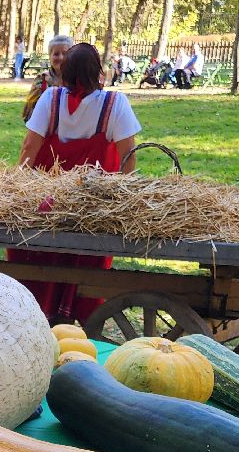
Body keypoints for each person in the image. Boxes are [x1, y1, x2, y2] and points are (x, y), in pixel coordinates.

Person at [10, 43, 142, 322]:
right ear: (97, 72)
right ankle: (74, 313)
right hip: (92, 202)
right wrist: (123, 196)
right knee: (88, 255)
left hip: (48, 197)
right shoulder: (114, 104)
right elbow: (128, 157)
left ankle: (38, 312)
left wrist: (16, 189)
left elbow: (28, 148)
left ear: (65, 73)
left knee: (39, 252)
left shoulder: (51, 99)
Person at [22, 34, 74, 121]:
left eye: (65, 53)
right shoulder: (41, 81)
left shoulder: (80, 80)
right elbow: (28, 114)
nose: (61, 57)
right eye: (56, 54)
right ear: (50, 57)